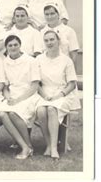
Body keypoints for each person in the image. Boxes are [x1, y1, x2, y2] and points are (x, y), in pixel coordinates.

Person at [35, 30, 80, 159]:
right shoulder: (39, 59)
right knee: (40, 111)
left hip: (63, 93)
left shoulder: (66, 60)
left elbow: (71, 84)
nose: (49, 43)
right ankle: (48, 144)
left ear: (58, 41)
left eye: (52, 39)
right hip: (44, 93)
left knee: (51, 109)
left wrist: (60, 95)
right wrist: (44, 95)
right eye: (46, 40)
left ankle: (54, 148)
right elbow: (36, 82)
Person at [0, 35, 41, 160]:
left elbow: (34, 86)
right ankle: (26, 146)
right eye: (10, 45)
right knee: (2, 113)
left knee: (13, 113)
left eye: (15, 44)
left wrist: (18, 100)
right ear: (6, 47)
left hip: (29, 95)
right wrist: (8, 97)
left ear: (20, 45)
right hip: (12, 95)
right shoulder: (4, 62)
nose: (13, 47)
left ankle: (26, 146)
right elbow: (5, 86)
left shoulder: (31, 61)